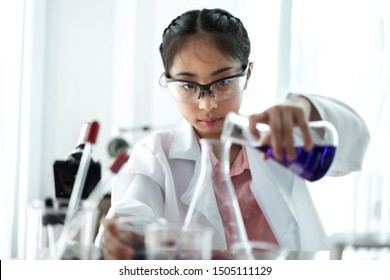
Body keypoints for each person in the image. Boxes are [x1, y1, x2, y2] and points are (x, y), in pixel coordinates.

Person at [96, 8, 370, 259]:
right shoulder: (157, 155)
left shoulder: (276, 141)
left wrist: (305, 107)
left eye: (224, 82)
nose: (207, 104)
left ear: (247, 75)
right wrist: (125, 234)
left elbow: (356, 139)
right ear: (168, 82)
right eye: (187, 86)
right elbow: (133, 211)